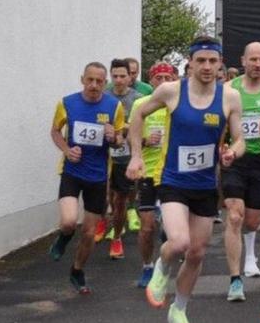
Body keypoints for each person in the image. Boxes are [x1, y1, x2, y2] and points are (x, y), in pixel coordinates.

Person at [127, 36, 245, 323]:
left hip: (205, 185)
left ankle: (179, 307)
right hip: (173, 181)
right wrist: (136, 155)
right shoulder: (171, 91)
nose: (207, 66)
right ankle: (162, 265)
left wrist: (232, 152)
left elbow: (240, 138)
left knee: (196, 253)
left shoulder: (229, 97)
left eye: (212, 61)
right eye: (201, 60)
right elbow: (139, 113)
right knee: (179, 242)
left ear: (220, 65)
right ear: (190, 63)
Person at [48, 62, 124, 294]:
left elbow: (120, 139)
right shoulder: (67, 103)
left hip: (98, 176)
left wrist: (114, 137)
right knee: (70, 221)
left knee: (90, 233)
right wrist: (66, 150)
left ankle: (77, 270)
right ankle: (64, 237)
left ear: (105, 82)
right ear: (82, 79)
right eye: (89, 80)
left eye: (99, 81)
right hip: (72, 172)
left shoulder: (114, 106)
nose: (93, 85)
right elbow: (55, 131)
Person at [222, 42, 260, 301]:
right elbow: (217, 123)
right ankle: (235, 280)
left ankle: (250, 255)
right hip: (235, 159)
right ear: (243, 61)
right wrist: (222, 147)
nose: (258, 64)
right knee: (234, 215)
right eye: (253, 59)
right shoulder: (228, 89)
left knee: (253, 220)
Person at [131, 62, 176, 288]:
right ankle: (147, 266)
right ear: (152, 80)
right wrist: (144, 144)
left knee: (170, 229)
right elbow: (130, 136)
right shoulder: (141, 104)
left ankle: (164, 264)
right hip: (147, 173)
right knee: (147, 226)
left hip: (170, 173)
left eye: (168, 77)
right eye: (159, 78)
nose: (164, 82)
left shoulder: (176, 104)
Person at [105, 58, 143, 259]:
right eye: (115, 76)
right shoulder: (104, 97)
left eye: (122, 76)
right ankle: (108, 222)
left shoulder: (138, 100)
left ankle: (117, 237)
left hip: (126, 155)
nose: (118, 80)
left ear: (130, 77)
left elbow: (140, 126)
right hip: (105, 155)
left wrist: (123, 129)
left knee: (120, 198)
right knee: (108, 194)